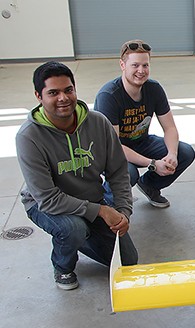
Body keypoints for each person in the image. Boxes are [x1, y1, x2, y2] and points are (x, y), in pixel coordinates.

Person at [16, 62, 138, 290]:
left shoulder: (98, 122)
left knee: (129, 261)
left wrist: (123, 212)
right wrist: (101, 211)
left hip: (90, 198)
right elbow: (48, 198)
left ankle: (81, 235)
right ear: (38, 96)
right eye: (53, 92)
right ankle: (63, 265)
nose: (63, 97)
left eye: (68, 90)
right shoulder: (29, 136)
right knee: (72, 229)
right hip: (46, 205)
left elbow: (119, 171)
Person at [95, 39, 195, 208]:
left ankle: (149, 185)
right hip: (111, 151)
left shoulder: (153, 89)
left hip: (141, 142)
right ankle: (107, 206)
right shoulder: (109, 96)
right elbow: (113, 146)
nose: (141, 71)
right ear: (122, 65)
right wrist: (152, 164)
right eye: (135, 65)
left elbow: (170, 127)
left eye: (145, 65)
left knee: (184, 152)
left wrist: (171, 154)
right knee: (128, 173)